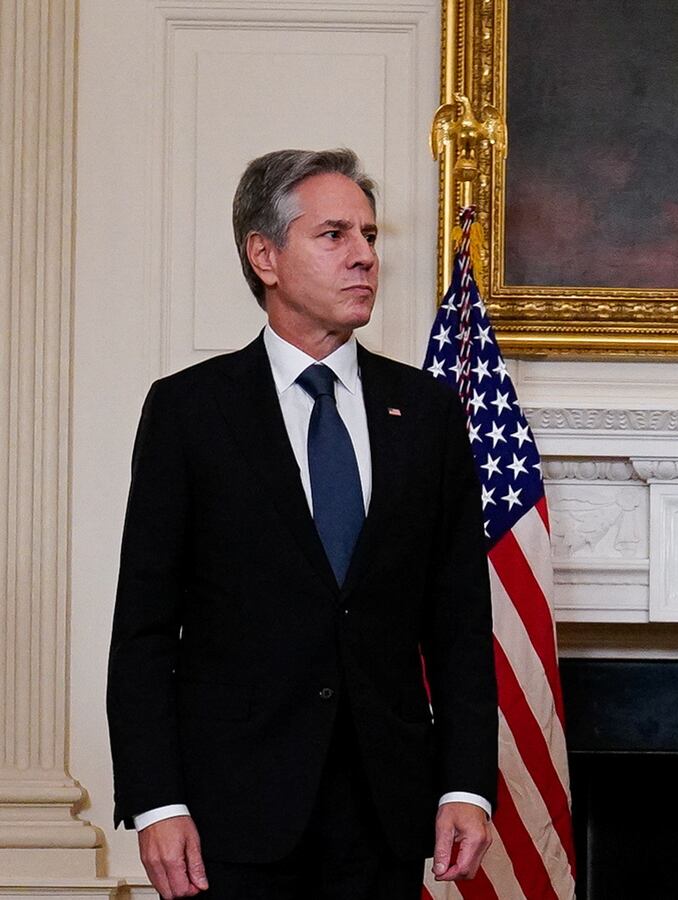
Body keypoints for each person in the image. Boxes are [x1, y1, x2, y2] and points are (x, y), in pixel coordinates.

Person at [107, 149, 497, 898]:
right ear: (265, 257)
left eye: (370, 236)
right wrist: (157, 800)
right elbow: (145, 629)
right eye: (334, 235)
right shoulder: (190, 411)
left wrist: (466, 785)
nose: (365, 256)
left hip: (384, 814)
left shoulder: (427, 413)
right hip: (231, 815)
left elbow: (459, 624)